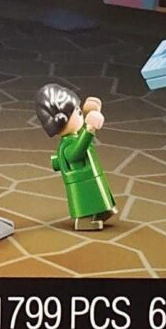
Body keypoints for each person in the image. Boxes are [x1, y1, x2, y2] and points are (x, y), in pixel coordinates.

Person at [38, 82, 114, 230]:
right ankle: (85, 221)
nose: (81, 115)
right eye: (78, 113)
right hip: (81, 181)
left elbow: (81, 139)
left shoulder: (74, 137)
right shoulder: (67, 145)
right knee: (85, 201)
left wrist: (90, 117)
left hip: (90, 176)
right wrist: (90, 128)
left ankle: (102, 212)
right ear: (61, 121)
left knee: (97, 196)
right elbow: (76, 153)